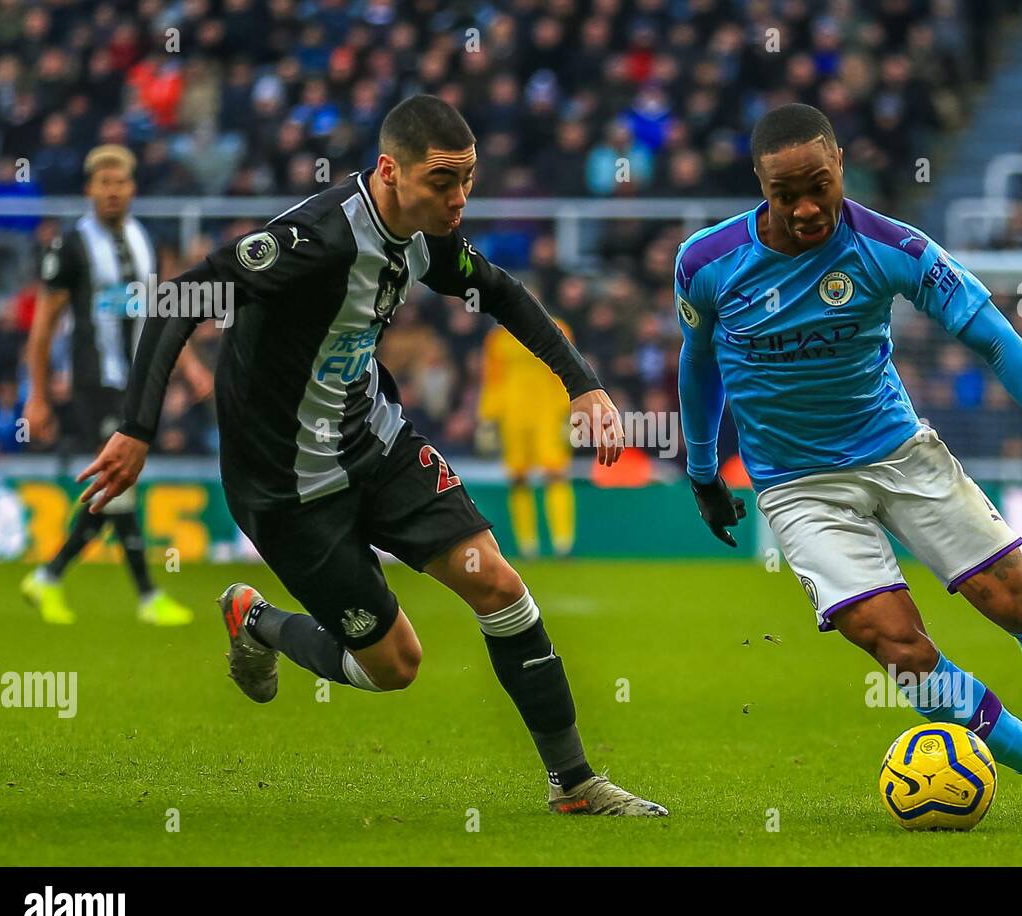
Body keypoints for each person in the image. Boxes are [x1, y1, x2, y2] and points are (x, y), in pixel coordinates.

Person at [79, 95, 667, 817]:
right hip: (288, 485)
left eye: (469, 179)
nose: (459, 199)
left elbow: (501, 292)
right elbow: (179, 299)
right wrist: (137, 428)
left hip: (376, 443)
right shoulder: (316, 238)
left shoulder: (425, 233)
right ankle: (258, 622)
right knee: (395, 666)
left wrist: (583, 386)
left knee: (501, 588)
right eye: (443, 181)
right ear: (389, 171)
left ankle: (573, 784)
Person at [676, 104, 1022, 829]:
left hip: (897, 454)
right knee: (897, 644)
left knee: (1010, 602)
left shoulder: (896, 249)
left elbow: (995, 340)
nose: (803, 209)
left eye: (817, 186)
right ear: (759, 187)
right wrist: (703, 470)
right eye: (783, 194)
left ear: (841, 167)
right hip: (797, 488)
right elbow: (698, 363)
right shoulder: (705, 264)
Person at [21, 144, 200, 627]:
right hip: (94, 382)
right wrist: (36, 396)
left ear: (133, 187)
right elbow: (44, 326)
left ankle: (50, 577)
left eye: (120, 182)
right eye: (104, 183)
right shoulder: (71, 247)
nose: (113, 191)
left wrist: (192, 369)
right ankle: (144, 595)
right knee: (117, 483)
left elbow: (161, 316)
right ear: (89, 190)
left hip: (136, 384)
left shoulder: (145, 240)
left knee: (119, 486)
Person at [477, 317, 577, 558]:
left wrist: (569, 412)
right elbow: (493, 378)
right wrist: (488, 417)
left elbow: (569, 367)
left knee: (555, 474)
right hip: (513, 414)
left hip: (549, 412)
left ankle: (563, 544)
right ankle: (527, 547)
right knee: (518, 478)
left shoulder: (558, 327)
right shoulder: (498, 338)